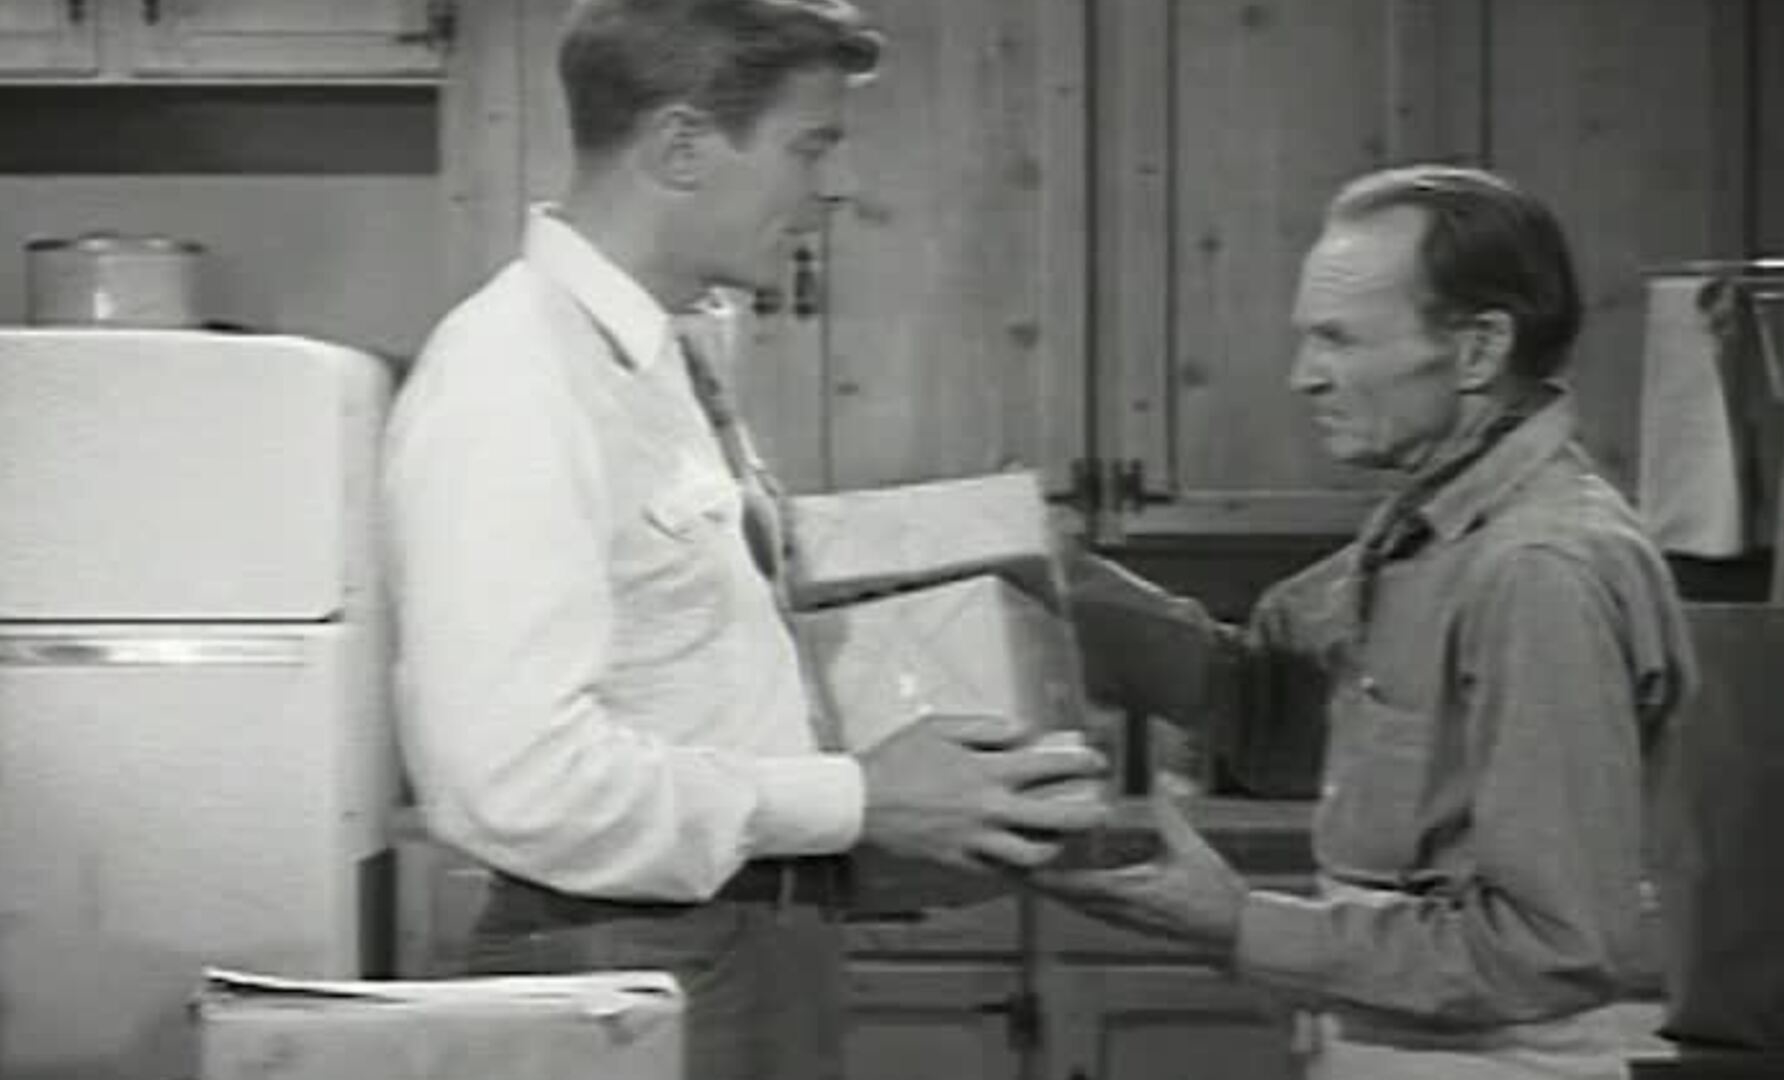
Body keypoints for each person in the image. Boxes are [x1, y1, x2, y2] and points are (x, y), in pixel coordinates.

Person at [379, 2, 1109, 1078]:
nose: (837, 186)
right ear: (681, 147)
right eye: (810, 147)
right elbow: (516, 783)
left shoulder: (659, 358)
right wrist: (859, 798)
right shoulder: (511, 378)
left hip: (744, 938)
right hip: (630, 959)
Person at [1042, 164, 1696, 1080]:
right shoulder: (1432, 523)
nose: (1303, 377)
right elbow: (1279, 719)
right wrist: (1062, 588)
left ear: (1478, 349)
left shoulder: (1540, 567)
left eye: (1338, 340)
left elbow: (1552, 949)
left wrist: (1241, 925)